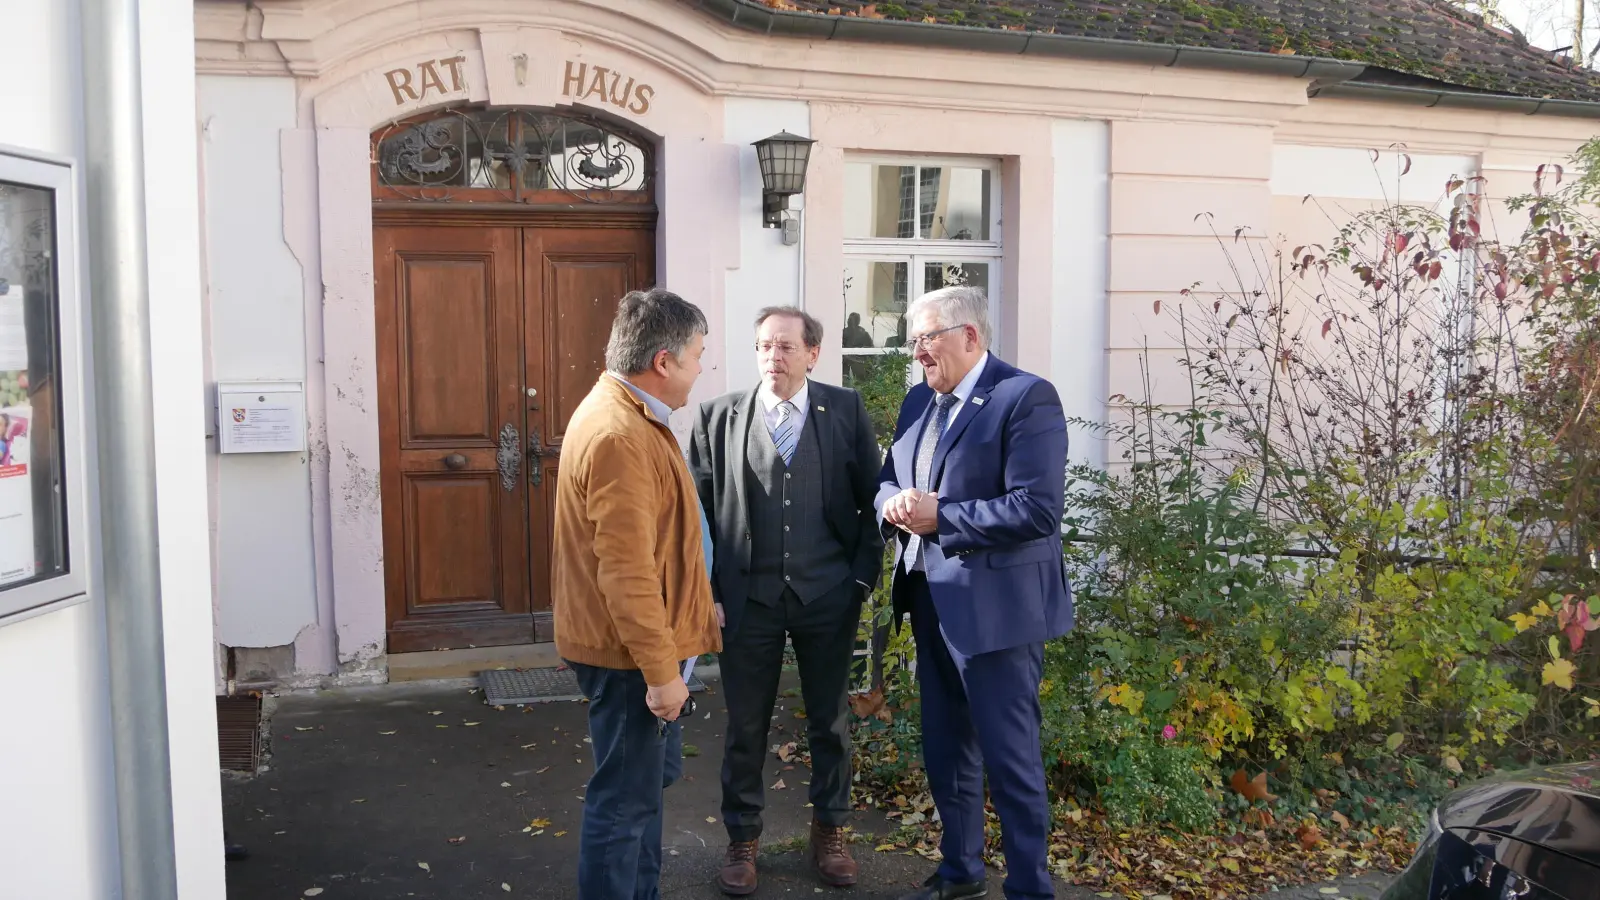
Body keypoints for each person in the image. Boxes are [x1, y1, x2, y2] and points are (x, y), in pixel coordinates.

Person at [875, 286, 1073, 900]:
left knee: (1009, 757)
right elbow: (888, 477)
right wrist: (893, 504)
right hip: (930, 601)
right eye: (913, 342)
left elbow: (1037, 508)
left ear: (970, 335)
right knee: (946, 749)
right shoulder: (917, 402)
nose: (918, 354)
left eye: (927, 339)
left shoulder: (1024, 397)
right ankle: (960, 871)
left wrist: (942, 516)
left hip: (997, 613)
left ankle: (1029, 887)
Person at [688, 306, 885, 895]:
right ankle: (743, 840)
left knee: (830, 721)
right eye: (764, 346)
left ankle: (830, 832)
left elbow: (872, 503)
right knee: (745, 725)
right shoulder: (718, 417)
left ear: (813, 354)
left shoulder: (845, 411)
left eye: (785, 347)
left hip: (828, 594)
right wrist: (707, 593)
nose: (773, 356)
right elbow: (694, 519)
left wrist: (859, 583)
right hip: (748, 599)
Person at [552, 287, 721, 900]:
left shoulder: (630, 414)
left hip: (641, 650)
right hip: (631, 659)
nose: (702, 368)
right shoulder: (621, 433)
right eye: (699, 354)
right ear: (664, 362)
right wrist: (660, 674)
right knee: (623, 805)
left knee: (640, 793)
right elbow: (626, 573)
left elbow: (662, 544)